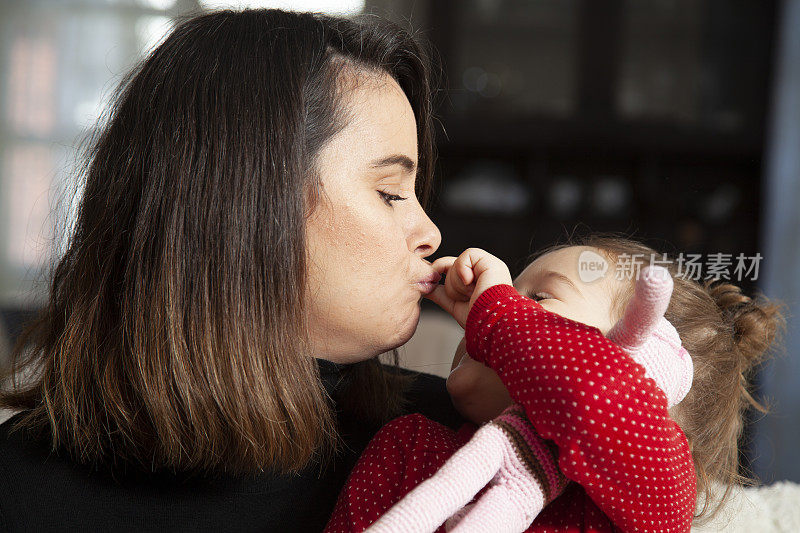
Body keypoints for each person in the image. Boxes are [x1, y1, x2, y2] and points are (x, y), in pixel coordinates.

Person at [0, 9, 462, 532]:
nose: (430, 233)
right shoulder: (17, 490)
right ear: (250, 204)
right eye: (391, 193)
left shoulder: (454, 446)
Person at [325, 236, 784, 532]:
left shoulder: (651, 499)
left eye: (538, 297)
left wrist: (502, 318)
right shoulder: (409, 448)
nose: (495, 300)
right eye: (509, 294)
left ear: (646, 367)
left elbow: (600, 399)